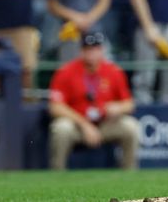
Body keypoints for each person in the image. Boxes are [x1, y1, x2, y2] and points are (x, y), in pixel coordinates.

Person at [48, 31, 138, 170]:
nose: (91, 53)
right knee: (61, 128)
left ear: (102, 50)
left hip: (105, 123)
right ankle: (57, 174)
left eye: (95, 49)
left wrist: (117, 107)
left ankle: (129, 175)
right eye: (88, 49)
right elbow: (55, 107)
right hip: (77, 125)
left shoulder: (113, 71)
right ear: (81, 51)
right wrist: (84, 125)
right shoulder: (66, 72)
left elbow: (129, 104)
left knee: (130, 127)